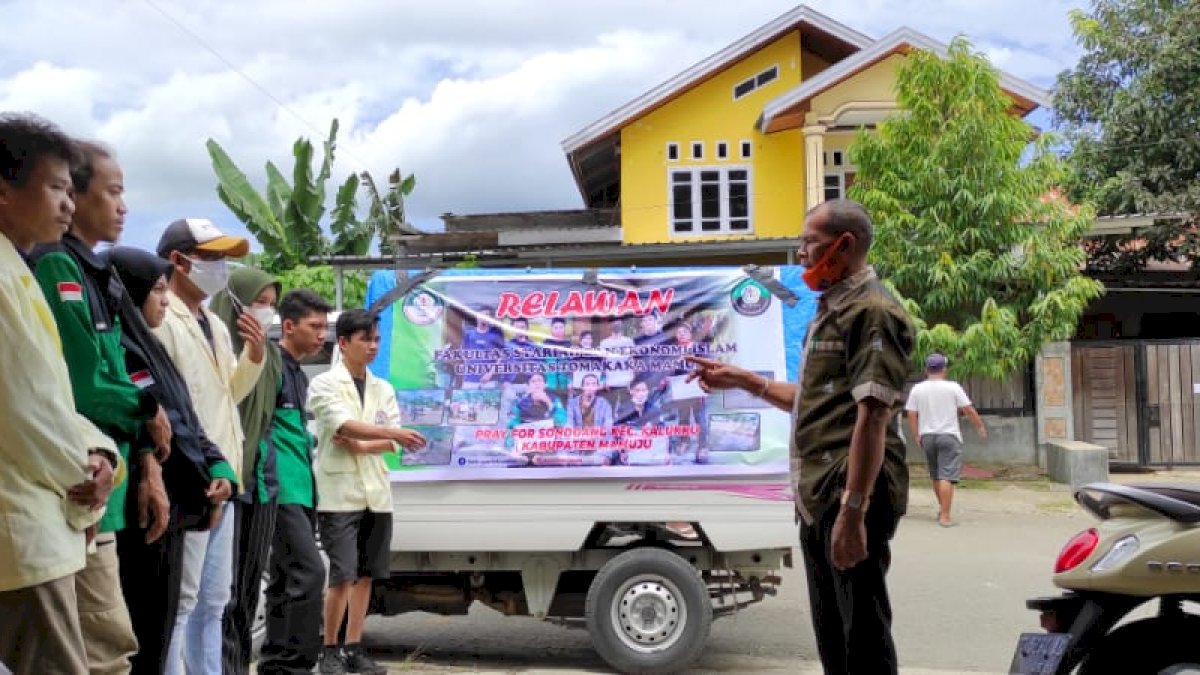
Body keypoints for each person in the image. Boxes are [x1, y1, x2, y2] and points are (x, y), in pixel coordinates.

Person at [687, 199, 915, 674]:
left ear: (844, 245)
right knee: (833, 635)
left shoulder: (872, 311)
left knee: (862, 638)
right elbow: (816, 401)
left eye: (809, 242)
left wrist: (853, 512)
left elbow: (872, 416)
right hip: (818, 494)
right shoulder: (830, 309)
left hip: (849, 494)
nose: (801, 253)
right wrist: (744, 380)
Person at [30, 140, 171, 675]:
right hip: (76, 488)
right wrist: (147, 408)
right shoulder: (55, 268)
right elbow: (84, 385)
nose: (123, 206)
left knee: (109, 644)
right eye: (111, 192)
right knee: (100, 650)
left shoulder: (94, 274)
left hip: (104, 486)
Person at [0, 113, 122, 675]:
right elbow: (23, 409)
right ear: (4, 191)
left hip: (36, 513)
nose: (68, 203)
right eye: (55, 188)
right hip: (23, 522)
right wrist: (85, 481)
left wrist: (99, 455)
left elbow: (50, 398)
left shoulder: (18, 269)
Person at [106, 246, 239, 675]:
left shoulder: (150, 347)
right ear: (129, 293)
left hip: (184, 502)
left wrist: (220, 470)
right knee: (153, 624)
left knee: (176, 615)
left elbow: (188, 420)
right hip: (147, 510)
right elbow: (168, 431)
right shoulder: (126, 351)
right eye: (157, 290)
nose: (165, 299)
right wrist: (206, 478)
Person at [153, 217, 265, 675]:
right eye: (212, 257)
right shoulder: (162, 318)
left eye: (224, 258)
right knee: (182, 602)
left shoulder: (215, 324)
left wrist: (255, 356)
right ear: (179, 261)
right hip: (192, 475)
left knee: (214, 601)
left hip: (225, 474)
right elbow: (174, 408)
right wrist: (202, 469)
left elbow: (225, 394)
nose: (220, 267)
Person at [308, 309, 426, 675]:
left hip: (376, 491)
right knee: (342, 574)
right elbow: (343, 425)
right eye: (365, 339)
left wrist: (367, 443)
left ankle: (354, 647)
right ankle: (329, 650)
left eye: (376, 339)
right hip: (338, 492)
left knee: (366, 575)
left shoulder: (383, 388)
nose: (373, 346)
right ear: (343, 343)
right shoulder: (325, 384)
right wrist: (388, 435)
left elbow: (384, 439)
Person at [210, 267, 283, 674]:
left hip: (261, 481)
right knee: (219, 592)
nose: (266, 312)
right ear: (237, 302)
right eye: (260, 302)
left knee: (248, 588)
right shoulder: (215, 344)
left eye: (272, 305)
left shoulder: (269, 354)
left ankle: (237, 666)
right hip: (226, 480)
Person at [257, 289, 333, 675]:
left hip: (301, 488)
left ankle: (275, 662)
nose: (322, 335)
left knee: (287, 577)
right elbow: (258, 427)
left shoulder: (298, 372)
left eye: (324, 327)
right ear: (288, 326)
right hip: (280, 487)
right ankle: (296, 665)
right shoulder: (270, 364)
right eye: (314, 326)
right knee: (310, 573)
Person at [905, 353, 987, 527]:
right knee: (946, 476)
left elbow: (911, 414)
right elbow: (968, 409)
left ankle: (942, 509)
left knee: (936, 475)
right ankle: (945, 516)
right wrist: (979, 427)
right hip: (949, 436)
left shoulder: (917, 389)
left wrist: (916, 434)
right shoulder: (953, 387)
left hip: (927, 436)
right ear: (944, 369)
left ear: (926, 369)